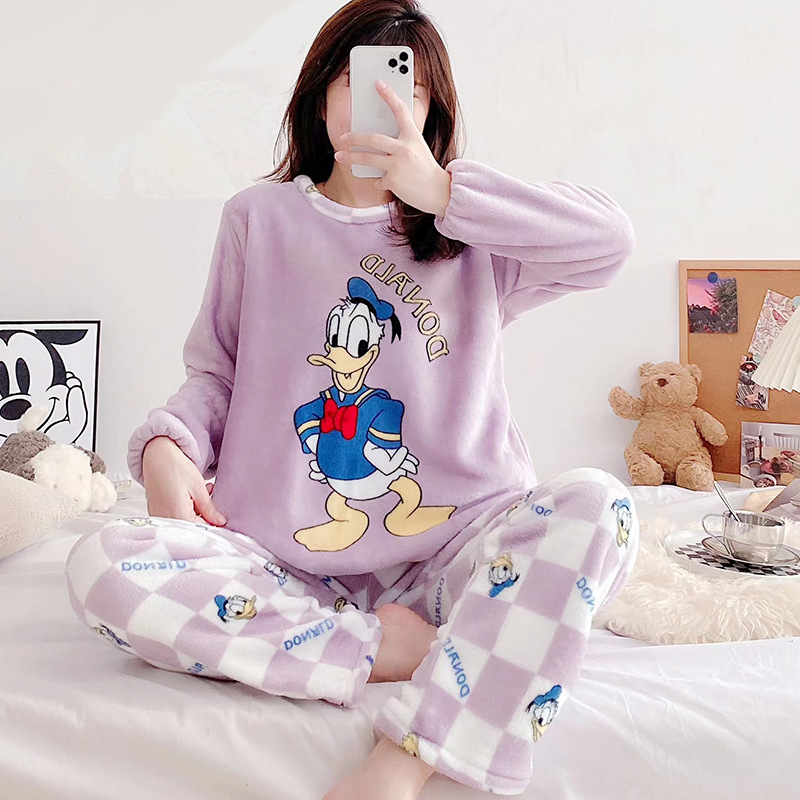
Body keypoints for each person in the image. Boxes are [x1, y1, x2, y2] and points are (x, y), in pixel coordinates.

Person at [64, 1, 640, 797]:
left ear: (432, 111)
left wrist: (443, 191)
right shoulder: (259, 219)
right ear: (320, 95)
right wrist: (168, 445)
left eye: (410, 88)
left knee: (602, 507)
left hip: (453, 558)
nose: (383, 102)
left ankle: (408, 758)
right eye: (357, 80)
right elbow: (217, 375)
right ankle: (384, 648)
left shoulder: (472, 237)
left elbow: (610, 244)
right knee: (104, 566)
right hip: (286, 569)